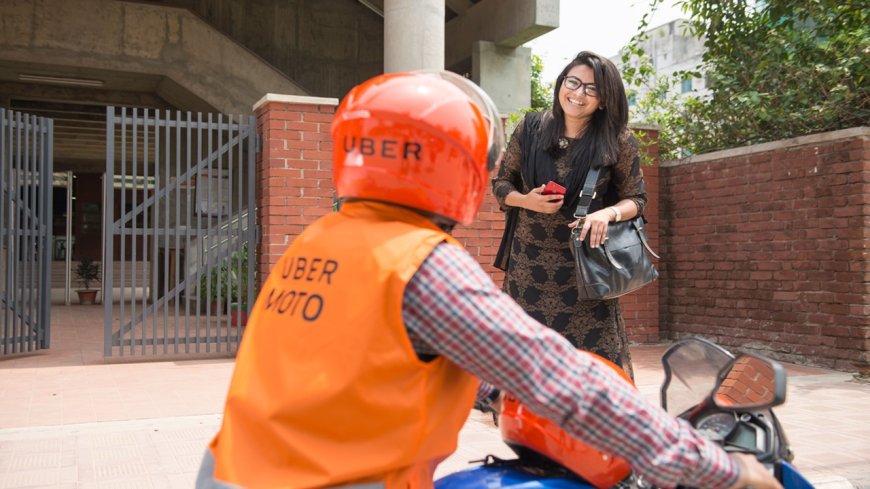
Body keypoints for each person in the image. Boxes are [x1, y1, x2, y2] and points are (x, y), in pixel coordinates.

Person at [195, 70, 781, 489]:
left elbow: (364, 358)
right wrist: (720, 469)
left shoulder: (320, 239)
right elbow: (561, 379)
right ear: (454, 166)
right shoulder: (421, 262)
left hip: (229, 470)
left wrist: (488, 388)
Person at [492, 51, 645, 379]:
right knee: (529, 366)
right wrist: (525, 200)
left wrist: (607, 213)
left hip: (586, 270)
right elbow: (501, 183)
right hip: (528, 269)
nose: (578, 94)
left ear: (604, 100)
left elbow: (637, 199)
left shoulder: (617, 139)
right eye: (572, 82)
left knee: (591, 371)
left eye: (591, 89)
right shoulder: (531, 128)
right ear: (561, 82)